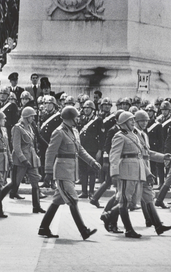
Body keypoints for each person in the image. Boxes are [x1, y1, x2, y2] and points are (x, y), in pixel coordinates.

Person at [105, 111, 171, 238]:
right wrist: (114, 173)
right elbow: (114, 156)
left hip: (139, 171)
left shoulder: (136, 135)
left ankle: (109, 215)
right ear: (124, 122)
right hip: (128, 171)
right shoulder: (120, 136)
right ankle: (125, 227)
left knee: (135, 200)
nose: (134, 122)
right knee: (125, 200)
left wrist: (161, 159)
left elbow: (145, 154)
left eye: (134, 120)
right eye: (132, 120)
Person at [38, 106, 101, 240]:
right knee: (73, 199)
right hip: (62, 171)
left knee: (57, 200)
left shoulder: (74, 131)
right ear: (70, 118)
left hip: (71, 170)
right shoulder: (59, 132)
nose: (78, 119)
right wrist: (48, 172)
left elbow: (80, 150)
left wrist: (92, 162)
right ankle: (84, 231)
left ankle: (43, 227)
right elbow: (50, 152)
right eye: (76, 117)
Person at [10, 107, 46, 213]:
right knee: (14, 183)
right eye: (31, 116)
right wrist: (23, 159)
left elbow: (32, 144)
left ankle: (36, 206)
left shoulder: (30, 127)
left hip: (32, 159)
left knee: (35, 182)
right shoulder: (18, 128)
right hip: (21, 161)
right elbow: (16, 147)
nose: (33, 118)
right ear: (26, 117)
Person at [77, 100, 102, 199]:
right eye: (85, 108)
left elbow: (101, 136)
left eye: (88, 108)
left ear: (93, 109)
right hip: (82, 148)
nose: (86, 109)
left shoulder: (98, 120)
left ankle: (91, 192)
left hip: (93, 149)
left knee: (92, 170)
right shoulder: (81, 119)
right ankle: (84, 192)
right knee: (83, 171)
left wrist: (100, 150)